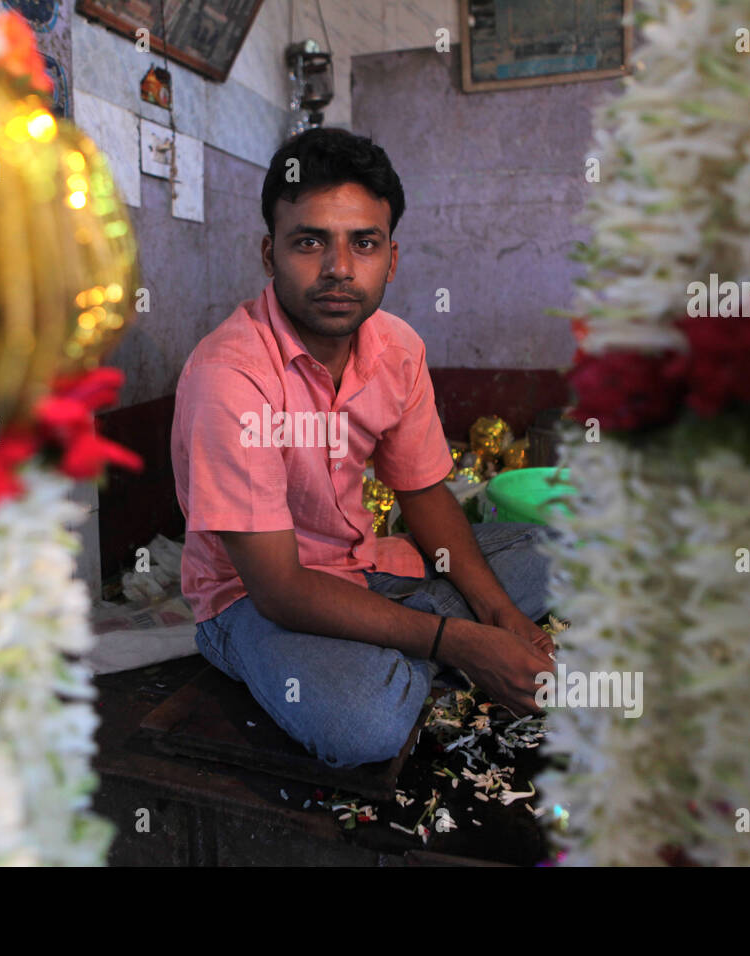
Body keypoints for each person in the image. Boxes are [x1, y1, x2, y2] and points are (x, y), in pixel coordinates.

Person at [170, 127, 557, 769]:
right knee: (363, 726)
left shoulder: (397, 348)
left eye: (364, 244)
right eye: (310, 241)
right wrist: (462, 641)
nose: (339, 269)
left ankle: (394, 648)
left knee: (557, 550)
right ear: (270, 254)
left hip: (368, 565)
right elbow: (281, 588)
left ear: (392, 258)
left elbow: (425, 495)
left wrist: (500, 613)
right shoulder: (228, 378)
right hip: (254, 601)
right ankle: (399, 657)